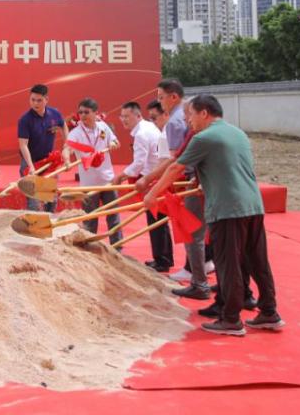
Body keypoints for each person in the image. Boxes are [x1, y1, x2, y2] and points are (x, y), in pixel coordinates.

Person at [146, 95, 283, 336]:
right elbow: (227, 166)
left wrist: (152, 194)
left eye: (191, 115)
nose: (189, 121)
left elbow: (176, 167)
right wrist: (203, 184)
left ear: (204, 113)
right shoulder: (238, 133)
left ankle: (231, 319)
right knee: (257, 260)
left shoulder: (204, 137)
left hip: (227, 209)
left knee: (228, 263)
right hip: (253, 205)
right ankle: (269, 312)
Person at [152, 79, 210, 299]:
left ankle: (200, 283)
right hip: (196, 181)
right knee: (203, 234)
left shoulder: (176, 123)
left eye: (161, 97)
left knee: (193, 233)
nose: (189, 121)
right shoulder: (189, 123)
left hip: (194, 181)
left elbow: (177, 161)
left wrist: (153, 187)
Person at [119, 100, 172, 271]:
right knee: (159, 220)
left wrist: (121, 175)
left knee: (155, 219)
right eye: (122, 116)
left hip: (152, 178)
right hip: (157, 175)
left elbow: (139, 163)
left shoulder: (142, 133)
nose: (124, 120)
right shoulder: (148, 127)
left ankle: (162, 260)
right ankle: (164, 257)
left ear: (138, 115)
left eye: (127, 116)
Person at [63, 98, 122, 245]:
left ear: (96, 113)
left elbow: (115, 141)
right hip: (88, 185)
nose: (83, 115)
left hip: (108, 181)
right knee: (90, 219)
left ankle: (117, 247)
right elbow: (67, 149)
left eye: (86, 112)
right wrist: (67, 160)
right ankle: (89, 247)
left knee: (113, 217)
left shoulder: (103, 127)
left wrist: (113, 144)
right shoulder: (76, 133)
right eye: (80, 112)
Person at [17, 84, 67, 212]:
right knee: (33, 202)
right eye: (32, 100)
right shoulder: (25, 119)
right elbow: (23, 145)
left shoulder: (54, 113)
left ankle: (48, 227)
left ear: (46, 99)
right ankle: (34, 229)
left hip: (48, 162)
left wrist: (66, 147)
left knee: (50, 200)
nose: (35, 103)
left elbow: (63, 126)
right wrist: (31, 167)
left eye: (39, 100)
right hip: (30, 162)